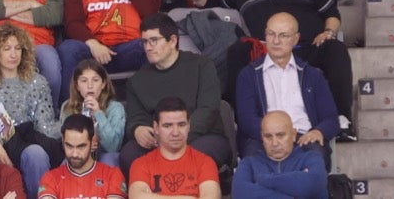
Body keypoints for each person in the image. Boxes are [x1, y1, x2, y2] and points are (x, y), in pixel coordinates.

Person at [220, 0, 354, 137]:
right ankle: (236, 122)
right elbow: (217, 5)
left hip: (306, 46)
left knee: (335, 49)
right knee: (237, 51)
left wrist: (328, 33)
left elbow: (331, 13)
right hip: (266, 51)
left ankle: (341, 119)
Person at [120, 14, 231, 171]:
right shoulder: (136, 80)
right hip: (158, 141)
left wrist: (176, 137)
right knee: (129, 154)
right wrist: (137, 129)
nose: (148, 47)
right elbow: (135, 117)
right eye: (145, 42)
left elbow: (208, 110)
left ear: (172, 41)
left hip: (202, 136)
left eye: (154, 40)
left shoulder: (202, 65)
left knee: (193, 156)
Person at [0, 23, 62, 197]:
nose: (13, 54)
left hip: (33, 141)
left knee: (37, 153)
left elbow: (45, 126)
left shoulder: (38, 82)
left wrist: (69, 125)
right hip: (0, 144)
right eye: (7, 48)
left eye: (18, 48)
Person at [234, 11, 338, 165]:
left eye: (283, 35)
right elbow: (246, 119)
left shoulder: (312, 75)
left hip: (304, 138)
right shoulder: (249, 74)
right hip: (263, 139)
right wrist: (275, 137)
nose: (276, 41)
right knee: (252, 160)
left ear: (295, 39)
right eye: (271, 34)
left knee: (316, 158)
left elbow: (330, 119)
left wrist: (318, 131)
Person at [126, 98, 222, 199]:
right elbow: (137, 196)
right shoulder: (141, 164)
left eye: (181, 125)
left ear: (189, 125)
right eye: (167, 126)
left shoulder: (205, 162)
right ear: (156, 127)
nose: (175, 133)